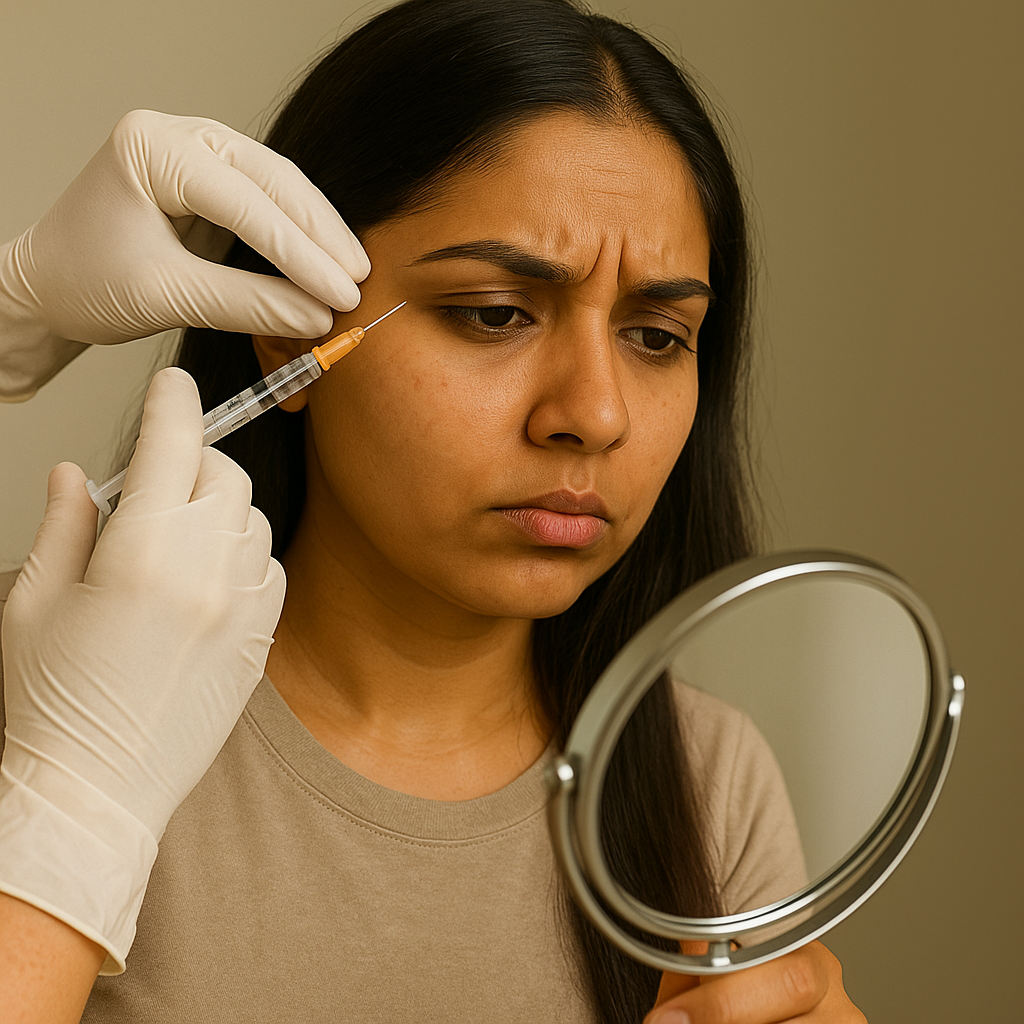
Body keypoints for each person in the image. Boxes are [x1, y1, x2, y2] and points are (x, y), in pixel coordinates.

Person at [0, 1, 866, 1021]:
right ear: (288, 335)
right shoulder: (49, 699)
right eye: (494, 313)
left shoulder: (707, 778)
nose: (592, 414)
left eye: (655, 335)